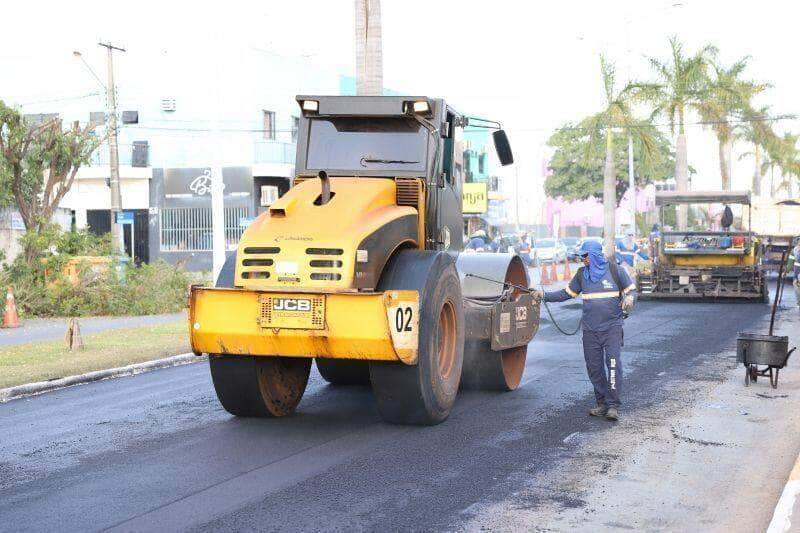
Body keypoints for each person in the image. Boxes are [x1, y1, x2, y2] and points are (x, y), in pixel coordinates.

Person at [533, 240, 636, 421]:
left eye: (585, 255)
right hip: (590, 330)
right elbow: (566, 294)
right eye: (581, 256)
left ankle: (613, 406)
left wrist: (630, 299)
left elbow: (631, 291)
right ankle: (602, 403)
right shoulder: (582, 275)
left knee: (612, 365)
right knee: (594, 368)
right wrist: (544, 295)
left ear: (595, 254)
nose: (582, 259)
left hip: (612, 328)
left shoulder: (615, 271)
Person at [791, 238, 800, 307]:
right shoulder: (794, 250)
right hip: (796, 271)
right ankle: (799, 302)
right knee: (795, 285)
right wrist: (786, 270)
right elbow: (790, 260)